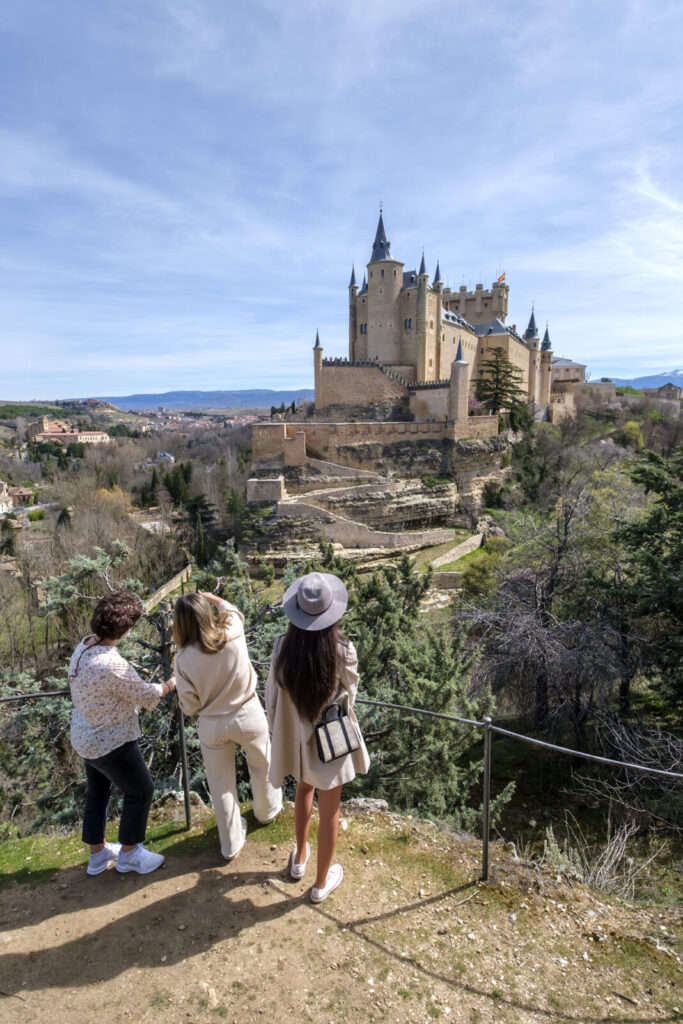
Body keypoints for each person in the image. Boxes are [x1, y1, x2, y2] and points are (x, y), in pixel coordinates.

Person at [266, 571, 369, 903]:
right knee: (331, 811)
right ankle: (321, 884)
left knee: (303, 789)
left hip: (295, 739)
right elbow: (349, 695)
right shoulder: (342, 650)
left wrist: (277, 732)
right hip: (330, 741)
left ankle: (298, 858)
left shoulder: (282, 647)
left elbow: (271, 697)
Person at [68, 591, 176, 876]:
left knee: (98, 792)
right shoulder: (111, 664)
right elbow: (144, 693)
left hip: (85, 735)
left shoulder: (84, 646)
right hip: (111, 739)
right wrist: (169, 685)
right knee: (141, 790)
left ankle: (98, 854)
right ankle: (130, 853)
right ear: (125, 630)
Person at [173, 591, 282, 860]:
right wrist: (211, 597)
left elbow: (189, 706)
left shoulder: (183, 659)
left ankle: (230, 844)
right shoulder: (232, 630)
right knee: (262, 764)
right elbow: (233, 609)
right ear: (207, 615)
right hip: (247, 711)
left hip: (212, 723)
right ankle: (266, 813)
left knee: (221, 784)